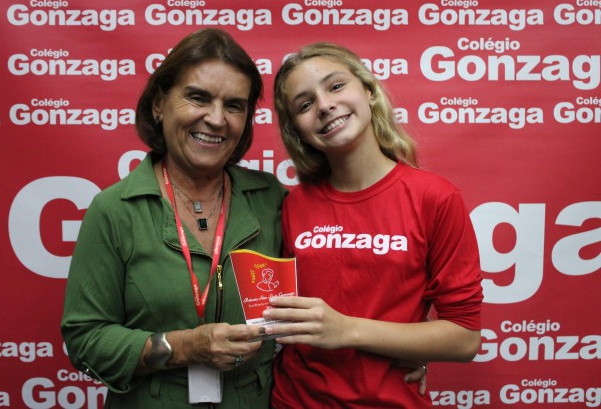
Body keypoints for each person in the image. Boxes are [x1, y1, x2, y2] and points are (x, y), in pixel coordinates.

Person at [61, 28, 287, 408]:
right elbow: (84, 342)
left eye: (234, 105)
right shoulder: (114, 209)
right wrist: (185, 346)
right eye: (198, 98)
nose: (216, 119)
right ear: (159, 104)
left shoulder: (271, 199)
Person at [263, 42, 484, 408]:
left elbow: (464, 338)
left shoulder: (435, 198)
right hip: (295, 400)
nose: (324, 105)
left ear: (368, 90)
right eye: (304, 104)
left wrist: (349, 330)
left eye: (336, 86)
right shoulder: (290, 206)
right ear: (297, 130)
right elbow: (270, 312)